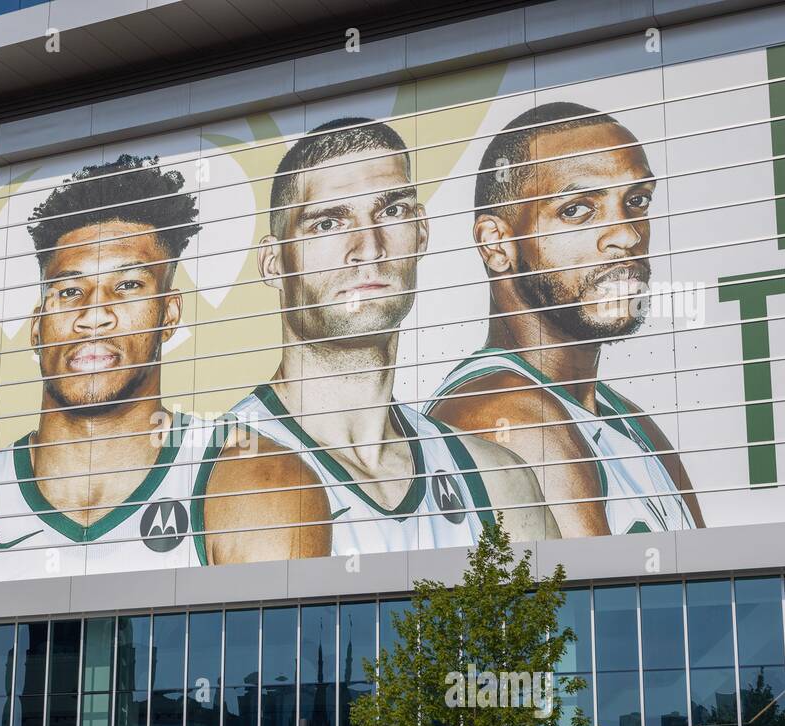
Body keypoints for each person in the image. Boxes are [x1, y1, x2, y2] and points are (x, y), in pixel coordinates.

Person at [0, 154, 331, 583]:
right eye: (69, 291)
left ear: (170, 313)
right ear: (36, 327)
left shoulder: (257, 481)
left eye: (126, 286)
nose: (93, 315)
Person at [231, 117, 556, 555]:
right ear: (273, 262)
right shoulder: (211, 473)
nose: (369, 246)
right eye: (328, 223)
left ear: (421, 231)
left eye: (392, 211)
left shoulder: (497, 481)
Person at [427, 102, 703, 535]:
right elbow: (597, 602)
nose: (627, 236)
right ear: (496, 244)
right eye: (577, 209)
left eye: (637, 201)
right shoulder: (508, 418)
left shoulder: (627, 420)